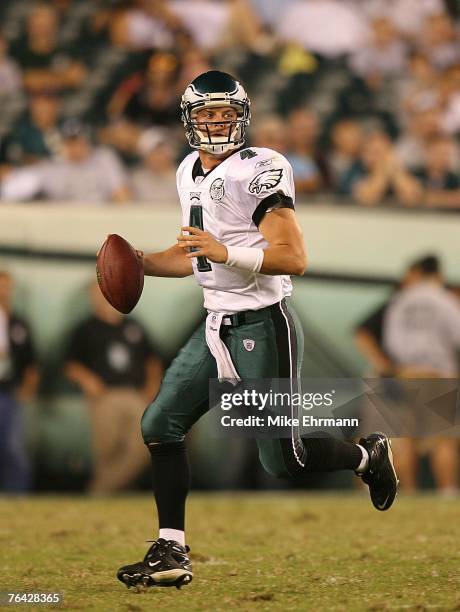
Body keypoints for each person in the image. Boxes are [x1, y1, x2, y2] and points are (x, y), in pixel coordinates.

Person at [116, 70, 398, 590]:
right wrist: (139, 262)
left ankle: (366, 454)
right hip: (215, 321)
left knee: (281, 459)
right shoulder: (186, 170)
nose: (216, 123)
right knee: (160, 424)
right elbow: (192, 255)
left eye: (225, 113)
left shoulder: (262, 167)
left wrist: (227, 252)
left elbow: (294, 256)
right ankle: (171, 549)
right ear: (188, 120)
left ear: (242, 116)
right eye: (206, 114)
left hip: (263, 324)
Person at [64, 281, 163, 494]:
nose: (101, 298)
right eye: (96, 294)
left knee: (144, 444)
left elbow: (152, 359)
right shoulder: (85, 329)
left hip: (134, 394)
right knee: (107, 449)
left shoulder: (133, 326)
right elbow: (70, 364)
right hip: (105, 396)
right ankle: (116, 495)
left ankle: (100, 491)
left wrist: (152, 387)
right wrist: (88, 380)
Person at [383, 255, 460, 494]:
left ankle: (408, 492)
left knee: (405, 436)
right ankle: (447, 491)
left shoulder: (401, 300)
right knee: (444, 437)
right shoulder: (446, 300)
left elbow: (391, 341)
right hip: (440, 373)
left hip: (409, 373)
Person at [1, 119, 131, 204]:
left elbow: (123, 196)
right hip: (70, 223)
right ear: (64, 144)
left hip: (103, 221)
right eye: (71, 142)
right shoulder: (54, 166)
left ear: (87, 140)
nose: (76, 146)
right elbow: (14, 187)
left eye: (79, 140)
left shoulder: (104, 158)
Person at [0, 271, 39, 492]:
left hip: (9, 390)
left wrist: (28, 388)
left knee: (12, 445)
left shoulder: (19, 324)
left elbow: (31, 360)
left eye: (7, 286)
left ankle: (16, 493)